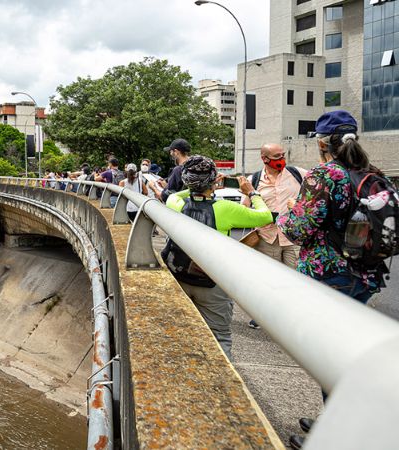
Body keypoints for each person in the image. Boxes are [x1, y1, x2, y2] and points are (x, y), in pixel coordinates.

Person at [277, 110, 389, 450]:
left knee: (332, 353)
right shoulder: (372, 173)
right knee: (345, 349)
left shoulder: (326, 174)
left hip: (331, 275)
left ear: (322, 143)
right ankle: (338, 417)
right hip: (366, 273)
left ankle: (343, 433)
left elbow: (299, 228)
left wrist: (289, 211)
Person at [163, 156, 272, 358]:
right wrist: (252, 192)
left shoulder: (175, 203)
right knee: (219, 336)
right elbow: (265, 216)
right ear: (213, 181)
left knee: (181, 332)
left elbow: (176, 194)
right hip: (213, 281)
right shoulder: (226, 209)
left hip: (179, 276)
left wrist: (197, 184)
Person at [242, 144, 307, 329]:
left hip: (293, 238)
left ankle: (291, 318)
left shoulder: (298, 174)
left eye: (282, 155)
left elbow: (313, 197)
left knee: (296, 279)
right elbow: (245, 209)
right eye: (276, 156)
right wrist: (266, 216)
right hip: (266, 237)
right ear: (264, 158)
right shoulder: (253, 180)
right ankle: (263, 316)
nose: (281, 159)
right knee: (267, 279)